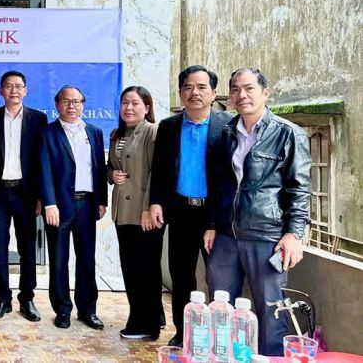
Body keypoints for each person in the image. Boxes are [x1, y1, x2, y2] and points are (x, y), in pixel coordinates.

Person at [207, 68, 311, 356]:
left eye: (249, 88)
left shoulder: (289, 134)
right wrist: (213, 224)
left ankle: (271, 358)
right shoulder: (227, 133)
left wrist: (294, 234)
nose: (242, 95)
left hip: (267, 235)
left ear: (266, 93)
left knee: (270, 311)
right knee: (220, 307)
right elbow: (220, 185)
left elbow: (299, 189)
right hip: (227, 234)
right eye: (236, 89)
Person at [148, 65, 231, 347]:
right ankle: (184, 333)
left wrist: (214, 222)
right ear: (181, 93)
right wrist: (156, 202)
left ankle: (220, 335)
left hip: (214, 215)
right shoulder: (169, 127)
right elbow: (159, 170)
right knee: (181, 276)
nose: (194, 93)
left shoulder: (228, 126)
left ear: (213, 93)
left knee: (218, 278)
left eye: (201, 87)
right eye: (188, 87)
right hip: (180, 212)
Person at [0, 70, 47, 322]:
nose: (14, 90)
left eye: (19, 86)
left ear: (26, 90)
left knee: (27, 248)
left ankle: (27, 298)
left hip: (27, 193)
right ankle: (2, 298)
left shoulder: (38, 119)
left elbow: (42, 161)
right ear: (0, 90)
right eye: (8, 86)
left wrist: (42, 196)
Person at [39, 85, 107, 331]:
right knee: (59, 261)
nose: (72, 106)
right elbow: (44, 170)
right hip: (59, 206)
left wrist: (102, 201)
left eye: (77, 101)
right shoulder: (47, 133)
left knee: (87, 260)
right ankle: (63, 310)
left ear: (83, 104)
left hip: (87, 205)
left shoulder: (95, 132)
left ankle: (88, 310)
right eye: (66, 101)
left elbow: (99, 168)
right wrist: (49, 203)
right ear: (57, 104)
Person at [107, 86, 162, 340]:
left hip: (144, 213)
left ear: (147, 108)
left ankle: (144, 324)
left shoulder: (152, 132)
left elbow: (156, 173)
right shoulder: (117, 134)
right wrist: (111, 175)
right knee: (130, 267)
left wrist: (148, 208)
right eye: (124, 103)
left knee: (145, 269)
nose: (128, 108)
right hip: (122, 211)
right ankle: (152, 315)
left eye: (135, 103)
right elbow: (111, 166)